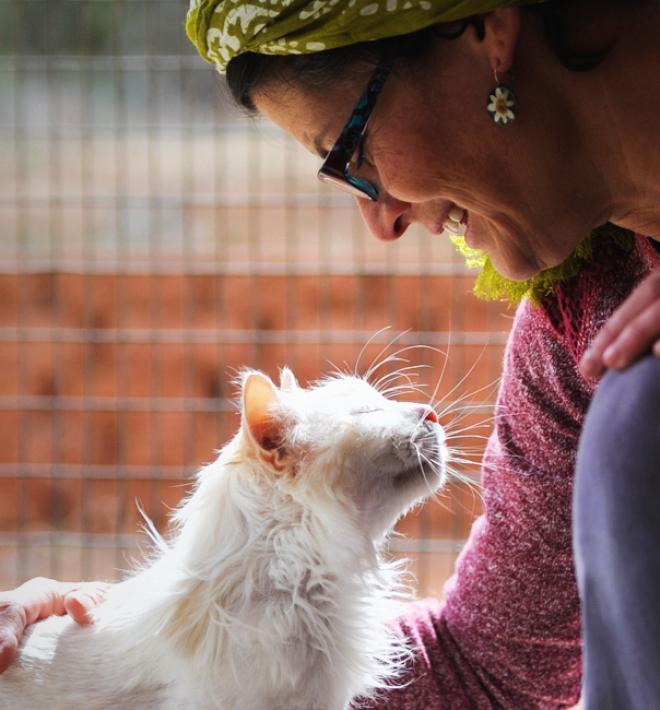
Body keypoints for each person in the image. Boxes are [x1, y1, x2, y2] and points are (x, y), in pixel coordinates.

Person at [2, 0, 659, 707]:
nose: (382, 220)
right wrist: (129, 661)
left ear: (487, 34)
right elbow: (488, 669)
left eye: (354, 151)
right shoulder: (576, 331)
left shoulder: (620, 362)